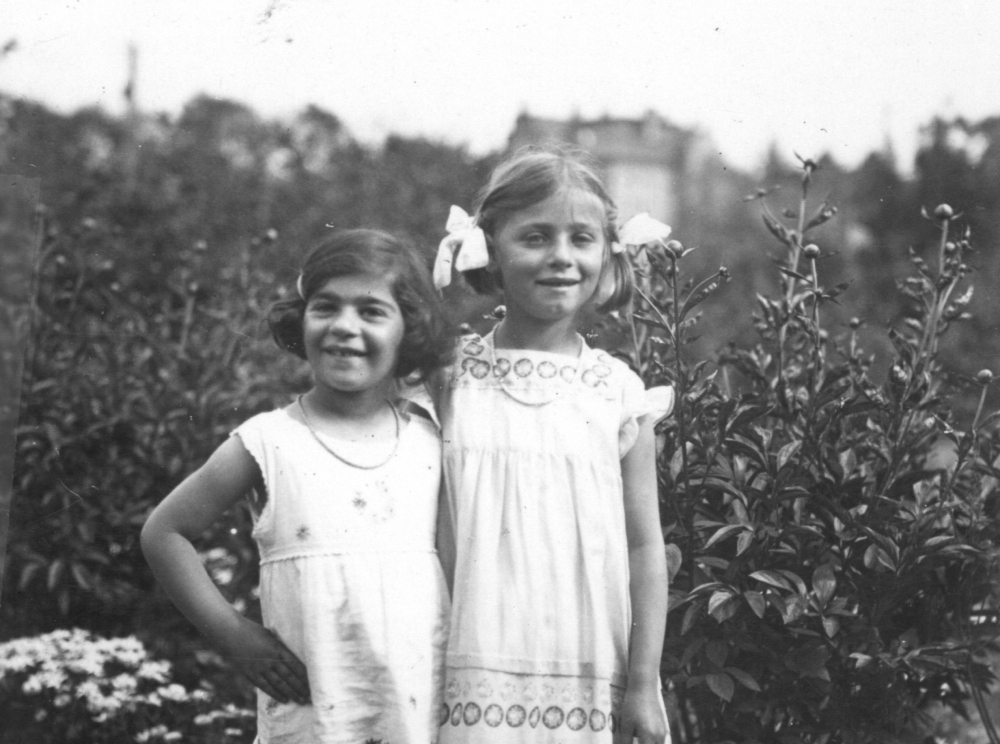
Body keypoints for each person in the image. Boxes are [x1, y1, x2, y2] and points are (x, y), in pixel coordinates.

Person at [141, 229, 454, 744]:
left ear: (409, 329)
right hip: (314, 714)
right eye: (325, 307)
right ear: (300, 319)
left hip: (418, 712)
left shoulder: (431, 434)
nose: (343, 327)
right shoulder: (270, 440)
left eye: (372, 312)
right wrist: (235, 634)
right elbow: (164, 532)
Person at [430, 148, 674, 744]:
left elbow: (644, 547)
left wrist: (644, 683)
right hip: (464, 667)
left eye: (581, 239)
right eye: (536, 237)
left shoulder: (616, 392)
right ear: (489, 247)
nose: (561, 257)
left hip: (588, 670)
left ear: (607, 252)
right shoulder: (448, 381)